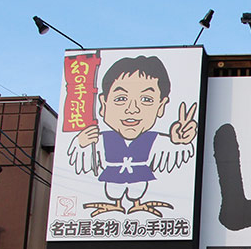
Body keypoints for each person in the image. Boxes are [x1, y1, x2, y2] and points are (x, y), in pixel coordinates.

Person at [68, 55, 197, 217]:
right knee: (114, 188)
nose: (132, 109)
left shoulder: (154, 139)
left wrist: (180, 142)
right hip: (113, 175)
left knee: (138, 187)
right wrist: (81, 142)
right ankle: (116, 204)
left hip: (140, 174)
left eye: (146, 99)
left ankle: (136, 203)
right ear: (103, 103)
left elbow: (172, 154)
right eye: (121, 98)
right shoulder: (100, 139)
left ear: (161, 106)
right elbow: (83, 158)